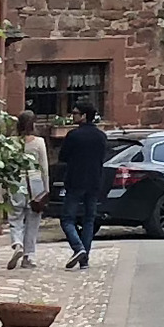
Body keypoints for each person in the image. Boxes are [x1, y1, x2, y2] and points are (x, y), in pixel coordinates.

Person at [53, 103, 113, 268]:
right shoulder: (101, 136)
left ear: (84, 115)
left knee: (67, 219)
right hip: (94, 182)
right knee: (89, 219)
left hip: (75, 181)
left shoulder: (73, 136)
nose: (73, 116)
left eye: (75, 113)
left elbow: (63, 156)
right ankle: (84, 257)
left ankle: (78, 247)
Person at [9, 116, 49, 268]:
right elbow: (44, 167)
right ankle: (28, 256)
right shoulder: (39, 142)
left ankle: (17, 243)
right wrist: (47, 189)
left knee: (15, 217)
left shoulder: (11, 142)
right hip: (35, 183)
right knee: (33, 220)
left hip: (16, 182)